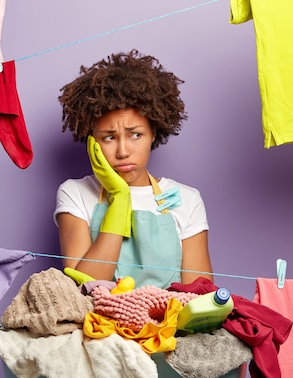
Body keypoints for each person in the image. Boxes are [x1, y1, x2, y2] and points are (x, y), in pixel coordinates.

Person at [54, 49, 212, 288]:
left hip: (170, 323)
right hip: (96, 324)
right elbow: (81, 286)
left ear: (153, 134)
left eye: (135, 135)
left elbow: (200, 295)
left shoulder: (187, 199)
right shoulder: (74, 193)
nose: (123, 151)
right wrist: (119, 199)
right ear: (91, 141)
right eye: (109, 138)